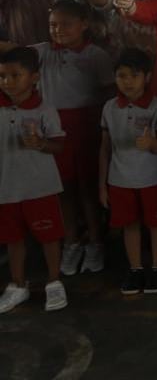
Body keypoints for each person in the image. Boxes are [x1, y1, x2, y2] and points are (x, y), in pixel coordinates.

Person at [36, 0, 113, 279]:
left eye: (66, 24)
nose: (58, 30)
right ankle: (72, 241)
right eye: (53, 25)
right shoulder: (43, 52)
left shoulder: (96, 56)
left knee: (88, 190)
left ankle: (95, 241)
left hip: (86, 128)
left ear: (84, 25)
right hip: (55, 130)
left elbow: (108, 93)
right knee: (64, 190)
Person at [0, 46, 69, 313]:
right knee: (13, 239)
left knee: (49, 236)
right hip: (6, 187)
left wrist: (40, 143)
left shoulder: (44, 109)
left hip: (40, 186)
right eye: (3, 76)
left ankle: (54, 281)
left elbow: (59, 145)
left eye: (15, 75)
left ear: (35, 77)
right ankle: (18, 285)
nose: (7, 82)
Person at [99, 48, 157, 295]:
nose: (127, 81)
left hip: (152, 179)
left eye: (133, 75)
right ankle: (136, 268)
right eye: (121, 75)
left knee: (156, 224)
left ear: (147, 77)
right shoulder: (110, 108)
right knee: (129, 225)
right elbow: (105, 149)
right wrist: (102, 185)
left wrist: (153, 144)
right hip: (119, 180)